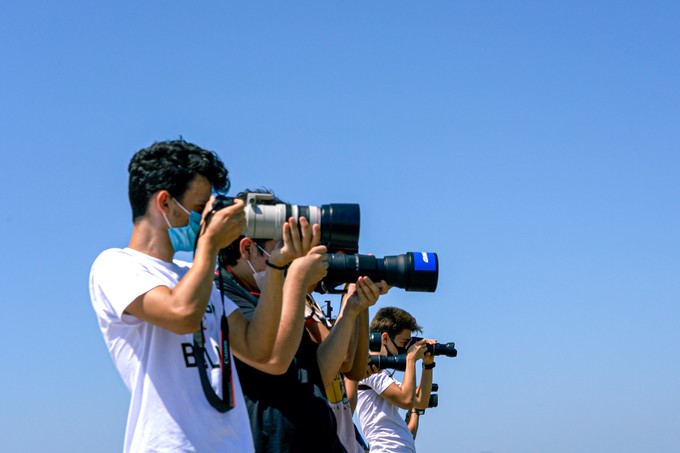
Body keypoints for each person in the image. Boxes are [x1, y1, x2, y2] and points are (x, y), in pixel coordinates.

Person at [89, 140, 323, 452]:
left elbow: (263, 352)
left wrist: (277, 264)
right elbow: (182, 314)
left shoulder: (195, 275)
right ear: (165, 203)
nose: (206, 219)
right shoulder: (116, 265)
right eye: (200, 209)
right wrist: (209, 245)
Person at [216, 189, 384, 453]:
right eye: (281, 249)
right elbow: (275, 359)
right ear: (248, 249)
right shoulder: (223, 296)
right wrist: (297, 280)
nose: (290, 259)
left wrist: (351, 311)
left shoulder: (272, 292)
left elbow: (320, 374)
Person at [347, 307, 436, 453]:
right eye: (403, 342)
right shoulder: (369, 369)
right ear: (385, 338)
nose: (405, 348)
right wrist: (411, 360)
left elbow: (420, 401)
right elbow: (406, 400)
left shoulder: (382, 372)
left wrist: (428, 364)